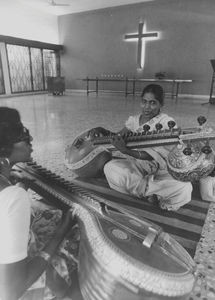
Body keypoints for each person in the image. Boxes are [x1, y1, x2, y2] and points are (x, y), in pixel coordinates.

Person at [0, 107, 79, 300]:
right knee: (76, 234)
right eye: (23, 136)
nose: (31, 141)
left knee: (45, 212)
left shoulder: (9, 188)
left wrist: (18, 188)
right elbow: (10, 292)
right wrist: (63, 229)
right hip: (17, 288)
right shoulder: (13, 197)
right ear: (4, 147)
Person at [90, 84, 192, 211]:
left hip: (162, 169)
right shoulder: (134, 120)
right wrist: (103, 130)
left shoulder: (167, 123)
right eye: (144, 102)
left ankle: (142, 190)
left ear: (161, 104)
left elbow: (154, 154)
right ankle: (150, 193)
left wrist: (125, 151)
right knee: (110, 168)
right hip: (138, 165)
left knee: (184, 187)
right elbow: (118, 137)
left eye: (153, 103)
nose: (147, 107)